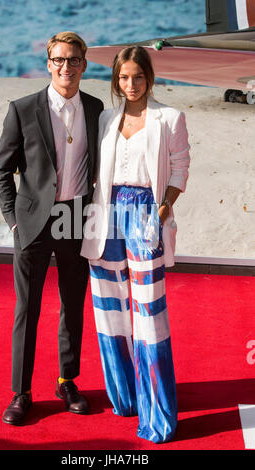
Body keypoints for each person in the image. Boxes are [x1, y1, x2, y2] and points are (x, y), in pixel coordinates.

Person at [81, 46, 190, 443]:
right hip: (106, 215)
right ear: (116, 79)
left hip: (146, 213)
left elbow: (180, 167)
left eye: (137, 77)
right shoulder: (106, 118)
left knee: (149, 315)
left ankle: (157, 411)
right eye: (124, 77)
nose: (131, 85)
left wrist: (161, 211)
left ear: (149, 76)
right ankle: (125, 396)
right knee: (109, 309)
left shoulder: (170, 118)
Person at [0, 31, 104, 425]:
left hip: (75, 216)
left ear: (84, 65)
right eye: (58, 60)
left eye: (73, 60)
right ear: (48, 64)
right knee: (29, 307)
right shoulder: (22, 109)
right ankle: (21, 392)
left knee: (72, 304)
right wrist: (12, 220)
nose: (66, 67)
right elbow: (2, 170)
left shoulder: (95, 108)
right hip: (33, 222)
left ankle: (66, 380)